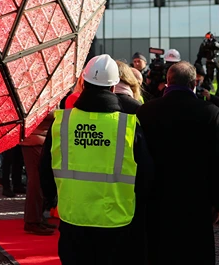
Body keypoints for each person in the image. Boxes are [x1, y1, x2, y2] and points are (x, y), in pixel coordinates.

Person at [40, 55, 153, 265]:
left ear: (83, 83)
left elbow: (45, 169)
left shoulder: (62, 122)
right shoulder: (128, 125)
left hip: (73, 217)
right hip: (116, 219)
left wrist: (52, 199)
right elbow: (145, 174)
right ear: (113, 88)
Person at [137, 61, 219, 264]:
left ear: (168, 82)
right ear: (194, 83)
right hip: (197, 200)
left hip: (157, 199)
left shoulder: (145, 111)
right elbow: (218, 160)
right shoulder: (210, 112)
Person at [22, 113, 55, 235]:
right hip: (34, 140)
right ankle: (33, 221)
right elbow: (41, 113)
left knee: (39, 180)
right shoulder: (36, 101)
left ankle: (37, 218)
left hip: (39, 139)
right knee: (36, 181)